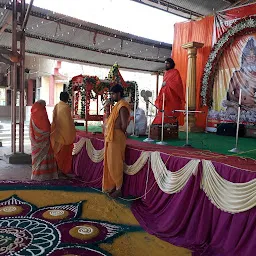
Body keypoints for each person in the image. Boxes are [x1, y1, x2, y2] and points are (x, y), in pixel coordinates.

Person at [103, 84, 130, 198]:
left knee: (116, 162)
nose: (112, 96)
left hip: (117, 136)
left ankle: (119, 188)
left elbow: (124, 125)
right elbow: (110, 120)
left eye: (113, 94)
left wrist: (117, 131)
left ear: (119, 93)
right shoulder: (116, 106)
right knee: (110, 162)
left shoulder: (123, 106)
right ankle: (113, 185)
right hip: (111, 136)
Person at [30, 100, 58, 181]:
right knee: (45, 158)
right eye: (44, 106)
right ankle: (47, 175)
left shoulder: (33, 113)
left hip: (35, 142)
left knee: (37, 159)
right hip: (45, 141)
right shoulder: (41, 112)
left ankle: (36, 175)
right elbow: (46, 128)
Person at [152, 58, 185, 124]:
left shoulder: (175, 72)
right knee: (162, 113)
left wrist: (167, 83)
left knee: (170, 113)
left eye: (167, 63)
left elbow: (177, 84)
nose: (166, 65)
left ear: (171, 64)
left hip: (172, 97)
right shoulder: (166, 73)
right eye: (165, 63)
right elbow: (164, 83)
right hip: (165, 96)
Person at [51, 92, 76, 175]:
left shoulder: (57, 106)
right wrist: (72, 132)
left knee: (57, 154)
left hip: (57, 135)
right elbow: (68, 123)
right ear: (67, 99)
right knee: (64, 156)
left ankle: (56, 170)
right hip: (65, 137)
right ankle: (61, 171)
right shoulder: (66, 107)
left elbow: (54, 120)